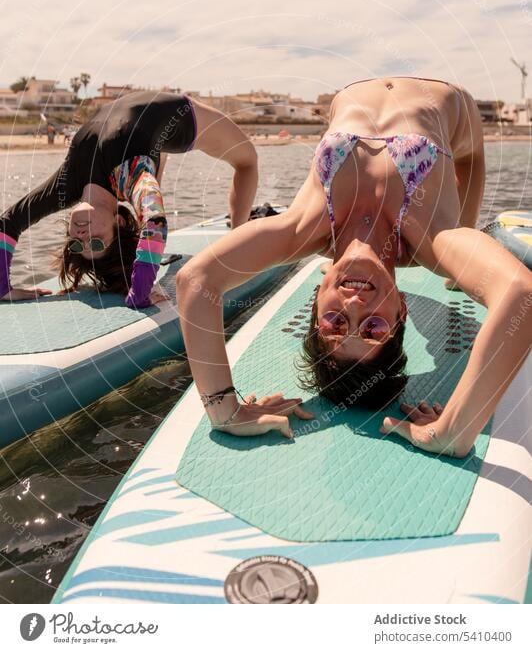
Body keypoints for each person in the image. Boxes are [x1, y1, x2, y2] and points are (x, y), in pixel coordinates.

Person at [176, 76, 532, 458]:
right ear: (402, 311)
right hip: (452, 104)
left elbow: (195, 280)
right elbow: (522, 293)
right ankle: (458, 269)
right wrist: (452, 431)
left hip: (354, 88)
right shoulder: (435, 242)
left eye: (335, 324)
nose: (355, 306)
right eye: (374, 328)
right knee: (454, 249)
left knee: (455, 268)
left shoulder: (303, 230)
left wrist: (225, 412)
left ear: (317, 299)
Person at [1, 91, 257, 308]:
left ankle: (232, 233)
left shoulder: (66, 187)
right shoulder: (129, 174)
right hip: (182, 120)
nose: (82, 235)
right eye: (96, 242)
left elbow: (8, 221)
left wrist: (2, 287)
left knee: (149, 181)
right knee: (248, 161)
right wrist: (140, 294)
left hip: (146, 127)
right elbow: (155, 222)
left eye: (77, 245)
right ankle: (238, 236)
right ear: (119, 224)